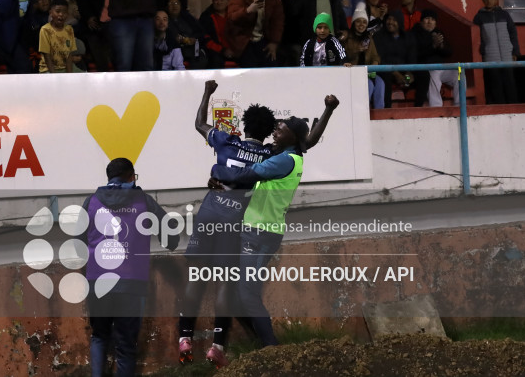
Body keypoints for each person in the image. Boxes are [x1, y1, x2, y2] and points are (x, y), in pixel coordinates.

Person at [209, 96, 340, 348]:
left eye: (280, 131)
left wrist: (218, 171)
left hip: (260, 233)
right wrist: (328, 109)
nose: (274, 133)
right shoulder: (290, 152)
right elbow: (309, 140)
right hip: (257, 230)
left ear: (292, 137)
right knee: (240, 293)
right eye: (275, 129)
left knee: (247, 294)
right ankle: (263, 345)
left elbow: (248, 173)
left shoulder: (284, 160)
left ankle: (272, 349)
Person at [178, 80, 277, 368]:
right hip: (235, 219)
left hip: (210, 211)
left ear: (244, 126)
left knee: (196, 276)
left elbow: (199, 123)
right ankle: (216, 347)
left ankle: (185, 338)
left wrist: (208, 92)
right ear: (269, 132)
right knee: (225, 282)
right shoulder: (269, 156)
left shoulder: (226, 140)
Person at [82, 157, 179, 377]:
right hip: (131, 284)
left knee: (99, 336)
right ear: (131, 176)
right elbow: (171, 237)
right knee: (125, 345)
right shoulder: (143, 201)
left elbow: (77, 244)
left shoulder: (91, 201)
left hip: (97, 282)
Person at [225, 0, 283, 68]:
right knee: (250, 69)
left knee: (272, 66)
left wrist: (274, 42)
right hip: (244, 39)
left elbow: (277, 19)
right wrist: (248, 10)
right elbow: (232, 17)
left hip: (263, 38)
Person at [473, 0, 520, 104]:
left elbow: (513, 33)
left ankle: (514, 109)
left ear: (496, 0)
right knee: (495, 85)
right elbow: (476, 38)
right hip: (490, 56)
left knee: (510, 84)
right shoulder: (478, 17)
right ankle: (500, 110)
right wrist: (482, 51)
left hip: (507, 55)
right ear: (482, 0)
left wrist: (515, 51)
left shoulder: (504, 15)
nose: (489, 1)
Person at [412, 9, 458, 107]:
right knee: (433, 75)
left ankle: (460, 105)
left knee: (459, 74)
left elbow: (449, 52)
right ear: (421, 21)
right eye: (427, 19)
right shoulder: (415, 34)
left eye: (432, 19)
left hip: (442, 68)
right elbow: (417, 55)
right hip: (426, 69)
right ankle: (436, 107)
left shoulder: (438, 33)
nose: (429, 22)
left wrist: (441, 46)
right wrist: (433, 46)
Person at [343, 3, 385, 109]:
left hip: (367, 73)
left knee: (380, 83)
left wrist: (375, 63)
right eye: (358, 21)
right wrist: (357, 50)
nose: (361, 25)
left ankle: (379, 113)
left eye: (364, 22)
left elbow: (375, 56)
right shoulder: (346, 37)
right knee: (369, 85)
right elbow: (343, 57)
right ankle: (363, 112)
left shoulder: (369, 38)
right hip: (352, 73)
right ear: (353, 23)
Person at [38, 0, 76, 73]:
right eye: (57, 11)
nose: (61, 14)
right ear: (51, 12)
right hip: (48, 69)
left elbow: (69, 55)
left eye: (64, 12)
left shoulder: (69, 29)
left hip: (64, 68)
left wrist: (69, 75)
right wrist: (55, 77)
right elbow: (47, 56)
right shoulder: (45, 30)